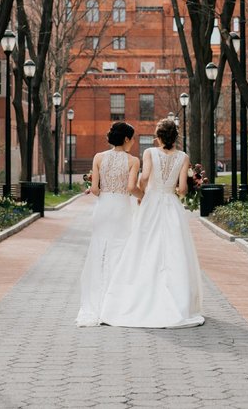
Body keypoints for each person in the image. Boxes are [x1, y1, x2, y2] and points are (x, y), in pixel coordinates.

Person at [99, 118, 204, 328]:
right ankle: (177, 299)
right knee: (174, 250)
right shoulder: (183, 157)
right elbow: (182, 189)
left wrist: (143, 192)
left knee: (144, 246)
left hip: (151, 202)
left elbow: (144, 177)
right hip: (171, 205)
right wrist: (176, 189)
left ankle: (139, 296)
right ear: (176, 137)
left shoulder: (149, 153)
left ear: (158, 137)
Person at [75, 122, 141, 327]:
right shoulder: (133, 161)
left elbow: (95, 189)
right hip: (121, 210)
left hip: (103, 209)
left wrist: (103, 188)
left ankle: (96, 303)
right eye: (133, 138)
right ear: (127, 139)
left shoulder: (98, 157)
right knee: (120, 255)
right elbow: (131, 188)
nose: (134, 142)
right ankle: (115, 304)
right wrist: (146, 197)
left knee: (98, 254)